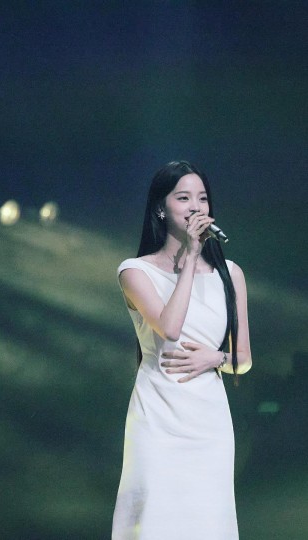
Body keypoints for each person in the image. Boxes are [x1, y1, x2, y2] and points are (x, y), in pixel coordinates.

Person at [111, 161, 252, 540]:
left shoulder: (230, 273)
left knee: (206, 522)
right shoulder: (135, 271)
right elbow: (170, 328)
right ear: (161, 208)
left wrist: (215, 358)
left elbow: (243, 359)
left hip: (209, 422)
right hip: (158, 417)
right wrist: (190, 256)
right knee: (155, 520)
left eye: (202, 199)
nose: (196, 207)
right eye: (184, 198)